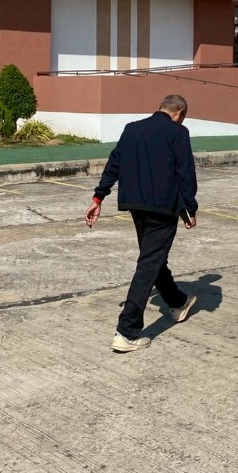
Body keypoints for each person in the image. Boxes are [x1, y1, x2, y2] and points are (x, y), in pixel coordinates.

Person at [85, 94, 199, 352]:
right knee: (148, 264)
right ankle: (126, 331)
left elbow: (114, 162)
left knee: (153, 258)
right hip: (163, 208)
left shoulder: (132, 129)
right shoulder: (178, 133)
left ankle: (178, 301)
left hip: (135, 205)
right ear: (179, 113)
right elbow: (185, 172)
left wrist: (98, 197)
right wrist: (190, 208)